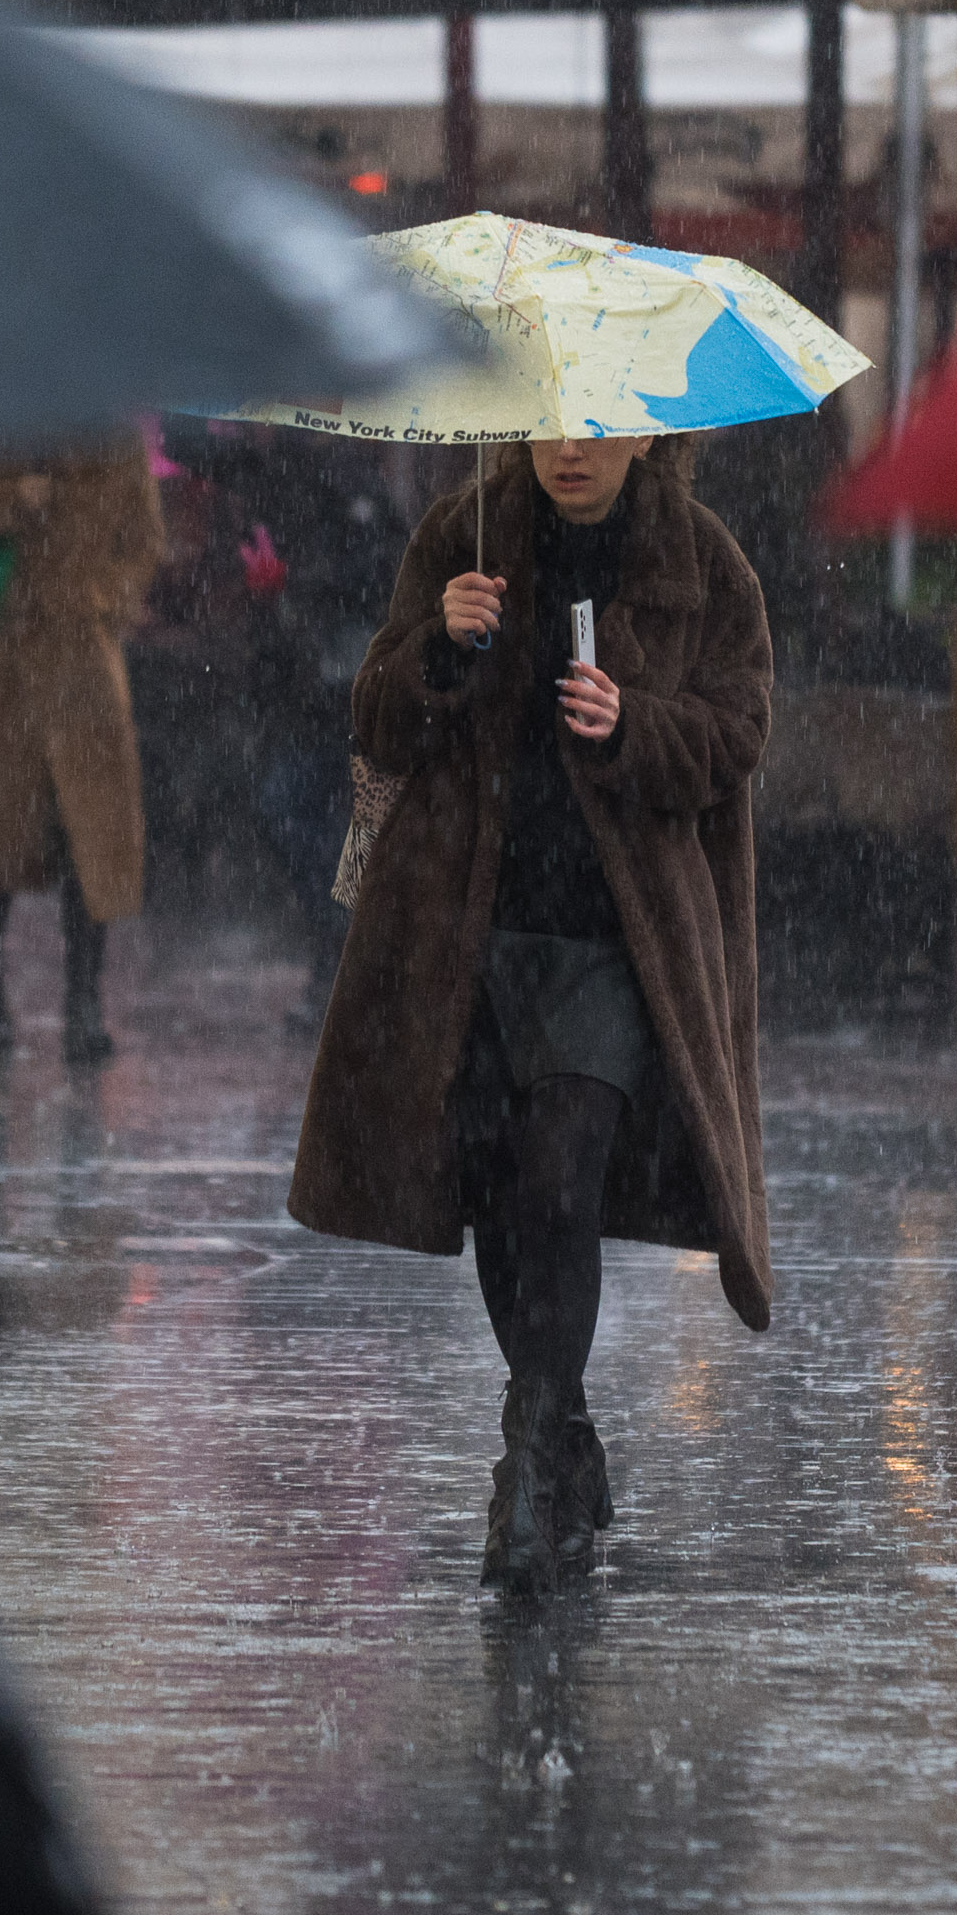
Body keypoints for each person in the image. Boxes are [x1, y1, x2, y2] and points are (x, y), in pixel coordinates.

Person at [287, 435, 776, 1594]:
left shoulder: (703, 564)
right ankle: (561, 1436)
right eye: (550, 418)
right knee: (501, 1184)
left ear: (647, 432)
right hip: (467, 935)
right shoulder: (461, 540)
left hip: (616, 941)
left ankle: (527, 1455)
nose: (570, 448)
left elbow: (738, 730)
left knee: (561, 1169)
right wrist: (434, 653)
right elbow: (375, 716)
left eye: (599, 423)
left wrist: (634, 723)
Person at [0, 434, 165, 1062]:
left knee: (86, 840)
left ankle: (83, 1005)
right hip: (0, 669)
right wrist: (10, 499)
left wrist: (99, 603)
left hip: (81, 669)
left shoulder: (114, 445)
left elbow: (143, 543)